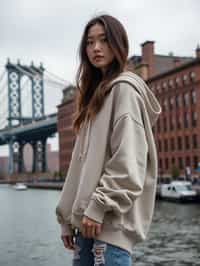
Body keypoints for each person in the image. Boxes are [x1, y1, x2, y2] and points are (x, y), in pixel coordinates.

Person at [55, 14, 161, 266]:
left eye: (103, 40)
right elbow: (80, 169)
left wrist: (99, 207)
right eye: (90, 43)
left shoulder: (124, 91)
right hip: (86, 228)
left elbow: (128, 161)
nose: (96, 48)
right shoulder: (95, 98)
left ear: (118, 43)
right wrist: (67, 219)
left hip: (110, 232)